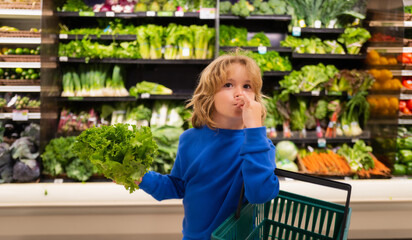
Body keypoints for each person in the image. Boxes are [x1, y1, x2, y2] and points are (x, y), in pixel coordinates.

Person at [138, 51, 280, 240]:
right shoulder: (189, 139)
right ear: (209, 95)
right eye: (228, 85)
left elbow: (260, 195)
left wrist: (254, 129)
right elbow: (178, 186)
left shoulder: (261, 146)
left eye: (247, 86)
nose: (240, 93)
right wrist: (141, 178)